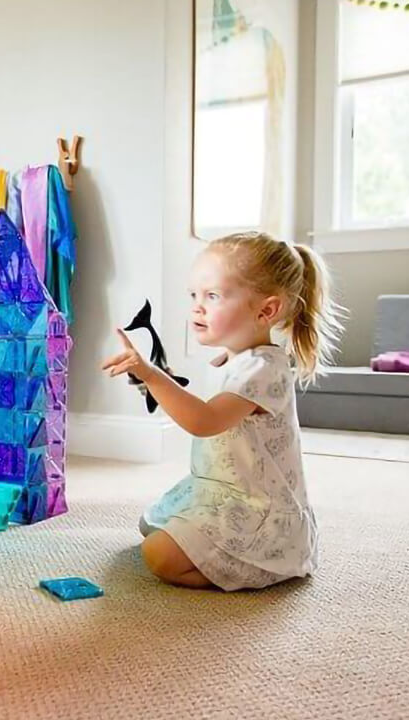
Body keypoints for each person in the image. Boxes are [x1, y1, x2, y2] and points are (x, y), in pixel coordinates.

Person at [101, 232, 344, 591]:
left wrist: (151, 375)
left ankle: (264, 565)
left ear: (266, 310)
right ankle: (211, 551)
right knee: (150, 524)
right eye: (194, 296)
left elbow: (204, 421)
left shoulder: (264, 369)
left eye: (212, 296)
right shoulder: (231, 361)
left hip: (259, 506)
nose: (197, 307)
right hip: (223, 488)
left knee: (159, 555)